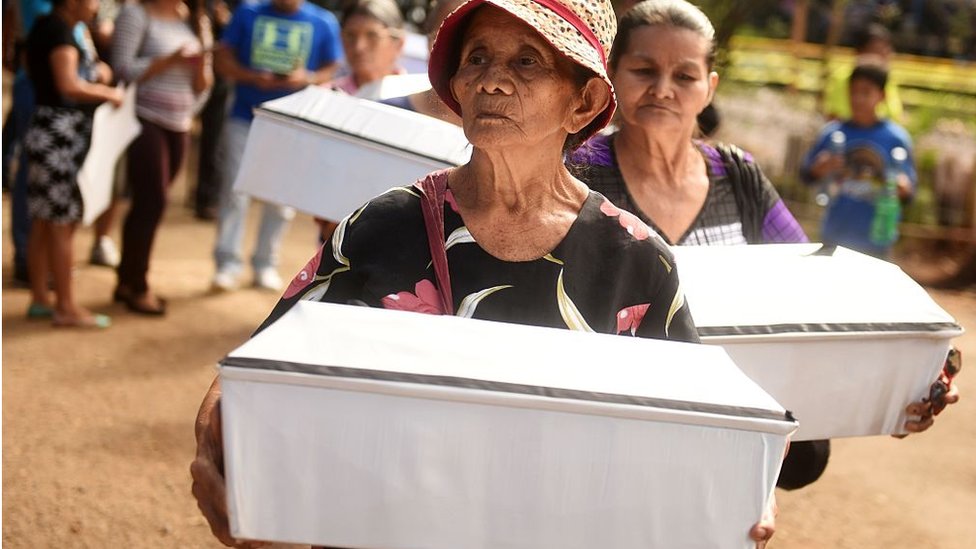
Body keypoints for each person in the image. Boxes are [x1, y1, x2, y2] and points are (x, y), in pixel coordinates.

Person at [191, 0, 779, 546]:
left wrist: (744, 493)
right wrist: (219, 446)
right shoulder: (385, 224)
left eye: (527, 61)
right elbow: (257, 364)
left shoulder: (634, 258)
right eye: (477, 58)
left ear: (584, 102)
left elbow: (703, 420)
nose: (491, 80)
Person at [210, 0, 342, 292]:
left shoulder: (323, 22)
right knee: (234, 191)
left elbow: (333, 67)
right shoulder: (248, 12)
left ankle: (265, 263)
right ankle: (227, 264)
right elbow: (222, 59)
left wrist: (305, 78)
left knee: (282, 200)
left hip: (294, 125)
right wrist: (252, 76)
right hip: (246, 117)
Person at [23, 0, 124, 327]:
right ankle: (65, 306)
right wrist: (108, 94)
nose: (97, 5)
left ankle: (41, 297)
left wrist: (96, 74)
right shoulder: (59, 30)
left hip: (46, 130)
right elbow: (68, 84)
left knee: (44, 219)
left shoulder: (49, 25)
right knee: (61, 223)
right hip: (60, 136)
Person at [110, 0, 213, 315]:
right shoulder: (135, 14)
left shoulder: (195, 19)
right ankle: (138, 286)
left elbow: (205, 83)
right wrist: (169, 60)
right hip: (144, 118)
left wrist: (198, 67)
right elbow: (122, 69)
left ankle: (127, 280)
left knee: (149, 203)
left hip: (180, 123)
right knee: (153, 200)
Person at [800, 62, 916, 259]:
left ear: (882, 96)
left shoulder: (895, 138)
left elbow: (909, 193)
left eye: (866, 92)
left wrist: (901, 186)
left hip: (876, 242)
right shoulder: (833, 134)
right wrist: (819, 168)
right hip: (834, 238)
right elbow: (806, 175)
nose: (857, 99)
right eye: (853, 92)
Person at [312, 0, 405, 241]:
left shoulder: (419, 101)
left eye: (372, 36)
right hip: (335, 234)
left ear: (398, 43)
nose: (359, 47)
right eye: (350, 36)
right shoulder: (325, 99)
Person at [823, 22, 903, 123]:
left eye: (886, 50)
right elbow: (835, 115)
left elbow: (894, 115)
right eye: (877, 50)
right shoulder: (843, 78)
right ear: (860, 51)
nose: (884, 54)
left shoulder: (887, 78)